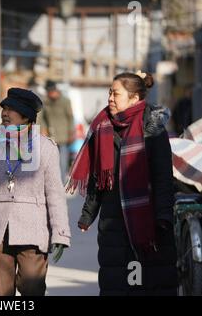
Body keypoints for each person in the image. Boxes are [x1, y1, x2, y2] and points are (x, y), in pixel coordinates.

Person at [67, 71, 177, 295]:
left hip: (149, 222)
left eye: (115, 94)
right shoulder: (103, 127)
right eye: (109, 93)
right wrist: (88, 214)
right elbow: (98, 178)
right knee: (116, 284)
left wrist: (163, 216)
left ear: (134, 98)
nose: (110, 98)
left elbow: (163, 178)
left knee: (148, 284)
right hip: (113, 222)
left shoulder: (153, 129)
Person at [0, 88, 71, 296]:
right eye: (4, 107)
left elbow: (55, 195)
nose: (4, 113)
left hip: (32, 230)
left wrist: (60, 233)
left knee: (33, 288)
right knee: (0, 294)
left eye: (11, 109)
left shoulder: (46, 148)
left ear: (27, 116)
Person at [39, 80, 74, 183]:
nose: (50, 94)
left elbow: (70, 118)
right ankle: (52, 181)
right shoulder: (45, 102)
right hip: (51, 136)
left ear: (55, 90)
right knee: (51, 161)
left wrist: (71, 132)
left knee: (62, 161)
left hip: (63, 137)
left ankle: (61, 182)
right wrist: (43, 129)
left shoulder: (65, 101)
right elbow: (42, 118)